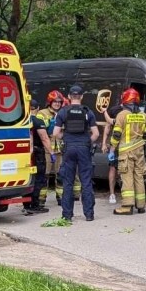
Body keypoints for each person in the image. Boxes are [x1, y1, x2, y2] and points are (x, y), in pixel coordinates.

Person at [51, 84, 98, 221]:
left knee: (68, 182)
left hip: (69, 148)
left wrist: (66, 138)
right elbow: (95, 133)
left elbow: (55, 133)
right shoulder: (88, 112)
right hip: (84, 148)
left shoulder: (63, 112)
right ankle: (89, 215)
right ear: (82, 96)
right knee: (86, 182)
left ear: (69, 97)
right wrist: (86, 142)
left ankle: (67, 215)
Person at [110, 88, 146, 215]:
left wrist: (111, 150)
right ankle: (141, 205)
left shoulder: (122, 115)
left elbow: (116, 135)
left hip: (126, 152)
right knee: (139, 177)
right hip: (139, 152)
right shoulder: (144, 116)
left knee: (127, 177)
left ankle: (127, 206)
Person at [25, 94, 55, 214]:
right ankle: (35, 204)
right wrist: (51, 152)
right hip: (37, 153)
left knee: (28, 178)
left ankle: (26, 203)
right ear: (37, 108)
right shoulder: (37, 121)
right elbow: (44, 138)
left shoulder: (22, 121)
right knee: (39, 178)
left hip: (26, 153)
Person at [35, 90, 66, 203]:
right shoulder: (42, 113)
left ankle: (61, 197)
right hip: (46, 150)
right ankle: (41, 198)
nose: (57, 104)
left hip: (59, 149)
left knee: (61, 175)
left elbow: (64, 131)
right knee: (45, 175)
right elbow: (42, 132)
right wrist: (51, 124)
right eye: (55, 101)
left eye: (59, 102)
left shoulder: (63, 113)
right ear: (50, 102)